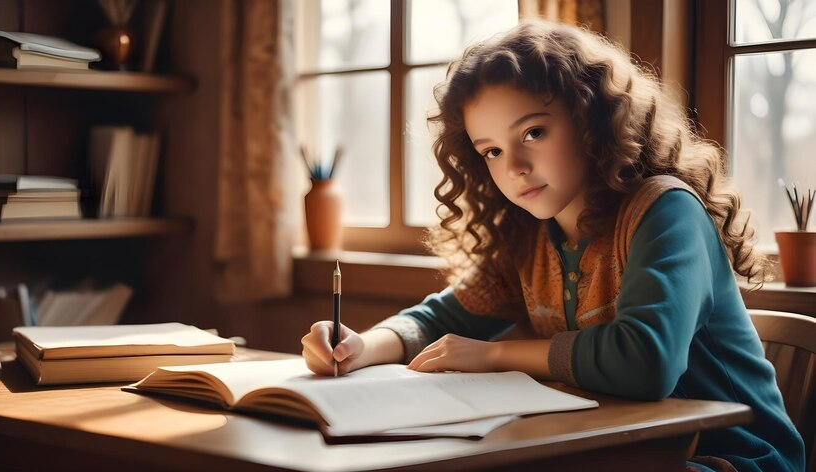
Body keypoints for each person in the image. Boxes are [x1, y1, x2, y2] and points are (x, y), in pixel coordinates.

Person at [300, 19, 804, 472]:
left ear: (593, 118)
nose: (514, 166)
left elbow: (645, 362)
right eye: (492, 151)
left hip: (734, 456)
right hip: (613, 448)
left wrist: (496, 357)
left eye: (534, 132)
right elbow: (443, 319)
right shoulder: (528, 234)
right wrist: (363, 345)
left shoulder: (664, 210)